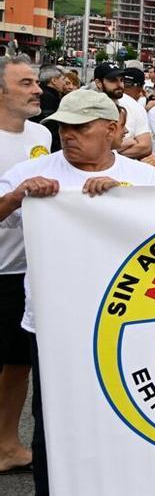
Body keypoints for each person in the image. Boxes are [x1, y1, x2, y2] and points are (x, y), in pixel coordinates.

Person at [0, 89, 155, 495]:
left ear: (112, 130)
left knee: (121, 413)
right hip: (54, 322)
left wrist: (123, 200)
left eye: (80, 127)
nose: (68, 136)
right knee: (53, 420)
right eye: (63, 127)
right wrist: (18, 196)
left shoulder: (143, 177)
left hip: (124, 320)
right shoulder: (31, 170)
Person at [0, 56, 49, 475]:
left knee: (19, 362)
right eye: (26, 83)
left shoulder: (43, 134)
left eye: (36, 82)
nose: (37, 89)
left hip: (27, 270)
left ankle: (7, 444)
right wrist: (17, 196)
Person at [92, 62, 151, 160]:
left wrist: (109, 154)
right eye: (113, 80)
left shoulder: (134, 107)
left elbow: (145, 147)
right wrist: (129, 142)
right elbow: (90, 146)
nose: (119, 84)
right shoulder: (88, 105)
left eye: (122, 80)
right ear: (99, 83)